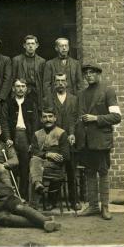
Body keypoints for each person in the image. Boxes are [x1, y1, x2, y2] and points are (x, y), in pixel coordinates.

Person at [76, 64, 121, 220]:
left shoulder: (107, 91)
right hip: (86, 141)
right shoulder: (81, 94)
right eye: (86, 73)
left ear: (98, 74)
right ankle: (93, 206)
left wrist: (96, 118)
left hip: (101, 140)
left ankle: (105, 208)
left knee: (102, 173)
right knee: (89, 173)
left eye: (92, 73)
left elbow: (116, 117)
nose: (88, 75)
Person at [43, 73, 80, 210]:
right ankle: (53, 200)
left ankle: (73, 200)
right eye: (57, 81)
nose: (60, 83)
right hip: (54, 139)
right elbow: (46, 120)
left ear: (67, 82)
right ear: (54, 83)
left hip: (69, 140)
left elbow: (74, 118)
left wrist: (71, 133)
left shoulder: (74, 99)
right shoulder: (48, 99)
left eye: (62, 80)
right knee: (54, 168)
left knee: (71, 169)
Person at [1, 78, 39, 200]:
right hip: (13, 137)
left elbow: (35, 124)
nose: (20, 89)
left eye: (23, 86)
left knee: (25, 168)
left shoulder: (31, 103)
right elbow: (4, 122)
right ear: (13, 89)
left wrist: (32, 142)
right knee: (12, 167)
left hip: (26, 138)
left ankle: (24, 197)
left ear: (26, 89)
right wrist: (7, 138)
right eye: (18, 86)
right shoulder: (8, 104)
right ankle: (13, 196)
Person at [29, 108, 70, 209]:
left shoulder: (61, 133)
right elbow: (33, 151)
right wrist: (48, 154)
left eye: (50, 116)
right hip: (39, 166)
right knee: (34, 161)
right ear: (41, 119)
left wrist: (46, 155)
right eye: (45, 117)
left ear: (55, 118)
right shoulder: (37, 134)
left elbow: (65, 155)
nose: (47, 119)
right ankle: (37, 187)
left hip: (56, 168)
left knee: (34, 165)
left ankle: (35, 203)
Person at [12, 35, 46, 110]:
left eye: (33, 44)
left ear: (37, 45)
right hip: (22, 91)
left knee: (37, 112)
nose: (30, 46)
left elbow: (44, 80)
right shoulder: (16, 60)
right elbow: (13, 78)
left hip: (37, 91)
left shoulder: (42, 61)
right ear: (24, 46)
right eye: (28, 44)